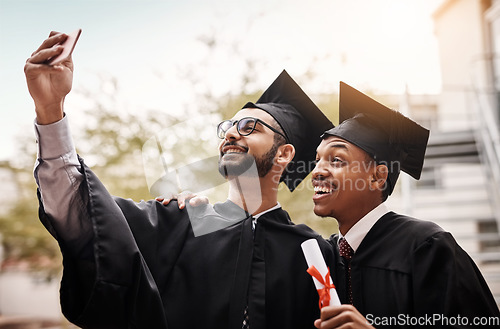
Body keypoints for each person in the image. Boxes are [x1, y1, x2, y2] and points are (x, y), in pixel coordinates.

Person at [25, 31, 336, 329]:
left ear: (283, 155)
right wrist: (51, 110)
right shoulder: (178, 221)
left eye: (250, 127)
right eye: (228, 126)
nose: (230, 133)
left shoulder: (312, 252)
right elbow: (82, 214)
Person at [311, 82, 500, 328]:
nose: (317, 171)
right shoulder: (325, 256)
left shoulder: (428, 248)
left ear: (378, 177)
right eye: (316, 160)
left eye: (336, 160)